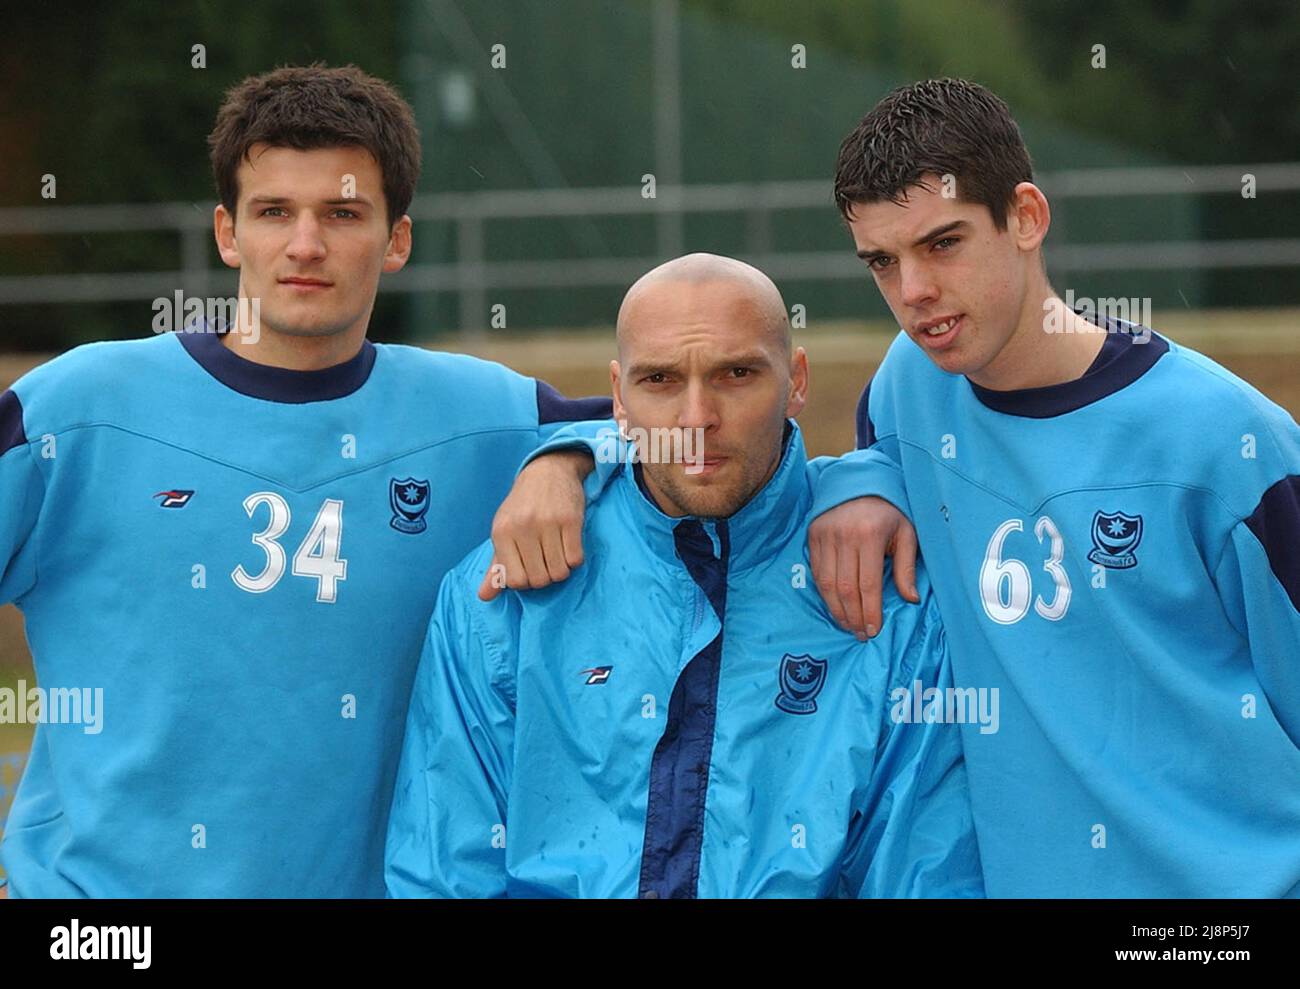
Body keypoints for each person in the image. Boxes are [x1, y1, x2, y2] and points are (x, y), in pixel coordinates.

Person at [0, 64, 610, 897]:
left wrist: (567, 456)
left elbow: (690, 436)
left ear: (397, 238)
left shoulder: (482, 415)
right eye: (274, 211)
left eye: (343, 213)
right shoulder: (78, 411)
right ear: (228, 232)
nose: (305, 245)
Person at [809, 78, 1300, 896]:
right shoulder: (906, 392)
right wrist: (857, 484)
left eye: (943, 244)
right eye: (883, 263)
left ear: (1027, 218)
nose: (913, 293)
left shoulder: (1227, 443)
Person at [385, 254, 983, 898]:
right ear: (618, 396)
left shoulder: (889, 595)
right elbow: (446, 875)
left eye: (737, 373)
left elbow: (924, 874)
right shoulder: (504, 594)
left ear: (797, 380)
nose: (697, 418)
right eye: (661, 380)